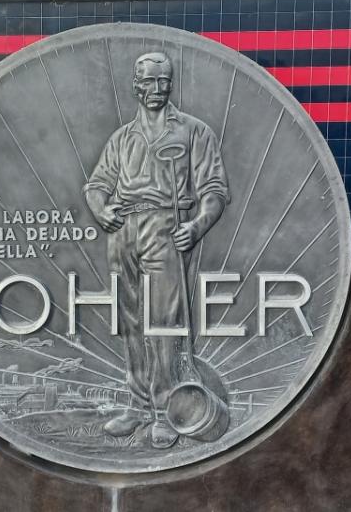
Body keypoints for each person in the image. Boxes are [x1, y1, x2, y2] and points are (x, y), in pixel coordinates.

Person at [83, 52, 229, 448]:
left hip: (165, 226)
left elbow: (214, 191)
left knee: (163, 323)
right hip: (123, 231)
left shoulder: (194, 132)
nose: (156, 89)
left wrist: (197, 226)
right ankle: (137, 405)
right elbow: (96, 185)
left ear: (171, 83)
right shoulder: (121, 138)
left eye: (163, 81)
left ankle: (168, 411)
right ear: (136, 85)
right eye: (148, 82)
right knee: (130, 322)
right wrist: (101, 209)